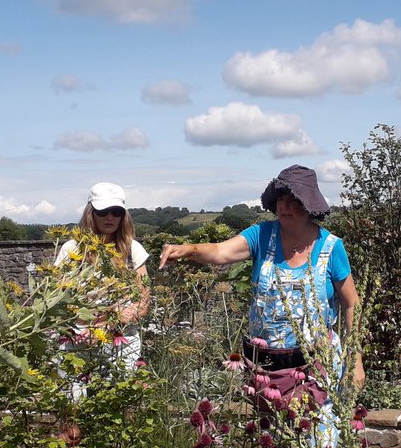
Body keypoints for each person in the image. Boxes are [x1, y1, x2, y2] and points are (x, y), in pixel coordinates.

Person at [159, 164, 364, 397]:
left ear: (309, 205)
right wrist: (190, 249)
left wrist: (355, 359)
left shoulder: (331, 247)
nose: (284, 207)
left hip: (317, 368)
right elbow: (220, 252)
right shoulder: (261, 235)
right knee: (272, 433)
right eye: (280, 199)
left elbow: (351, 304)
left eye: (293, 200)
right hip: (267, 372)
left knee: (318, 433)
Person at [55, 181, 150, 365]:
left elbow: (143, 299)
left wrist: (109, 324)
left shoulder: (132, 250)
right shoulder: (72, 249)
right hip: (78, 339)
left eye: (116, 212)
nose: (110, 217)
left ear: (124, 216)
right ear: (91, 213)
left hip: (121, 340)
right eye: (102, 212)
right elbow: (58, 297)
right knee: (73, 393)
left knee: (120, 391)